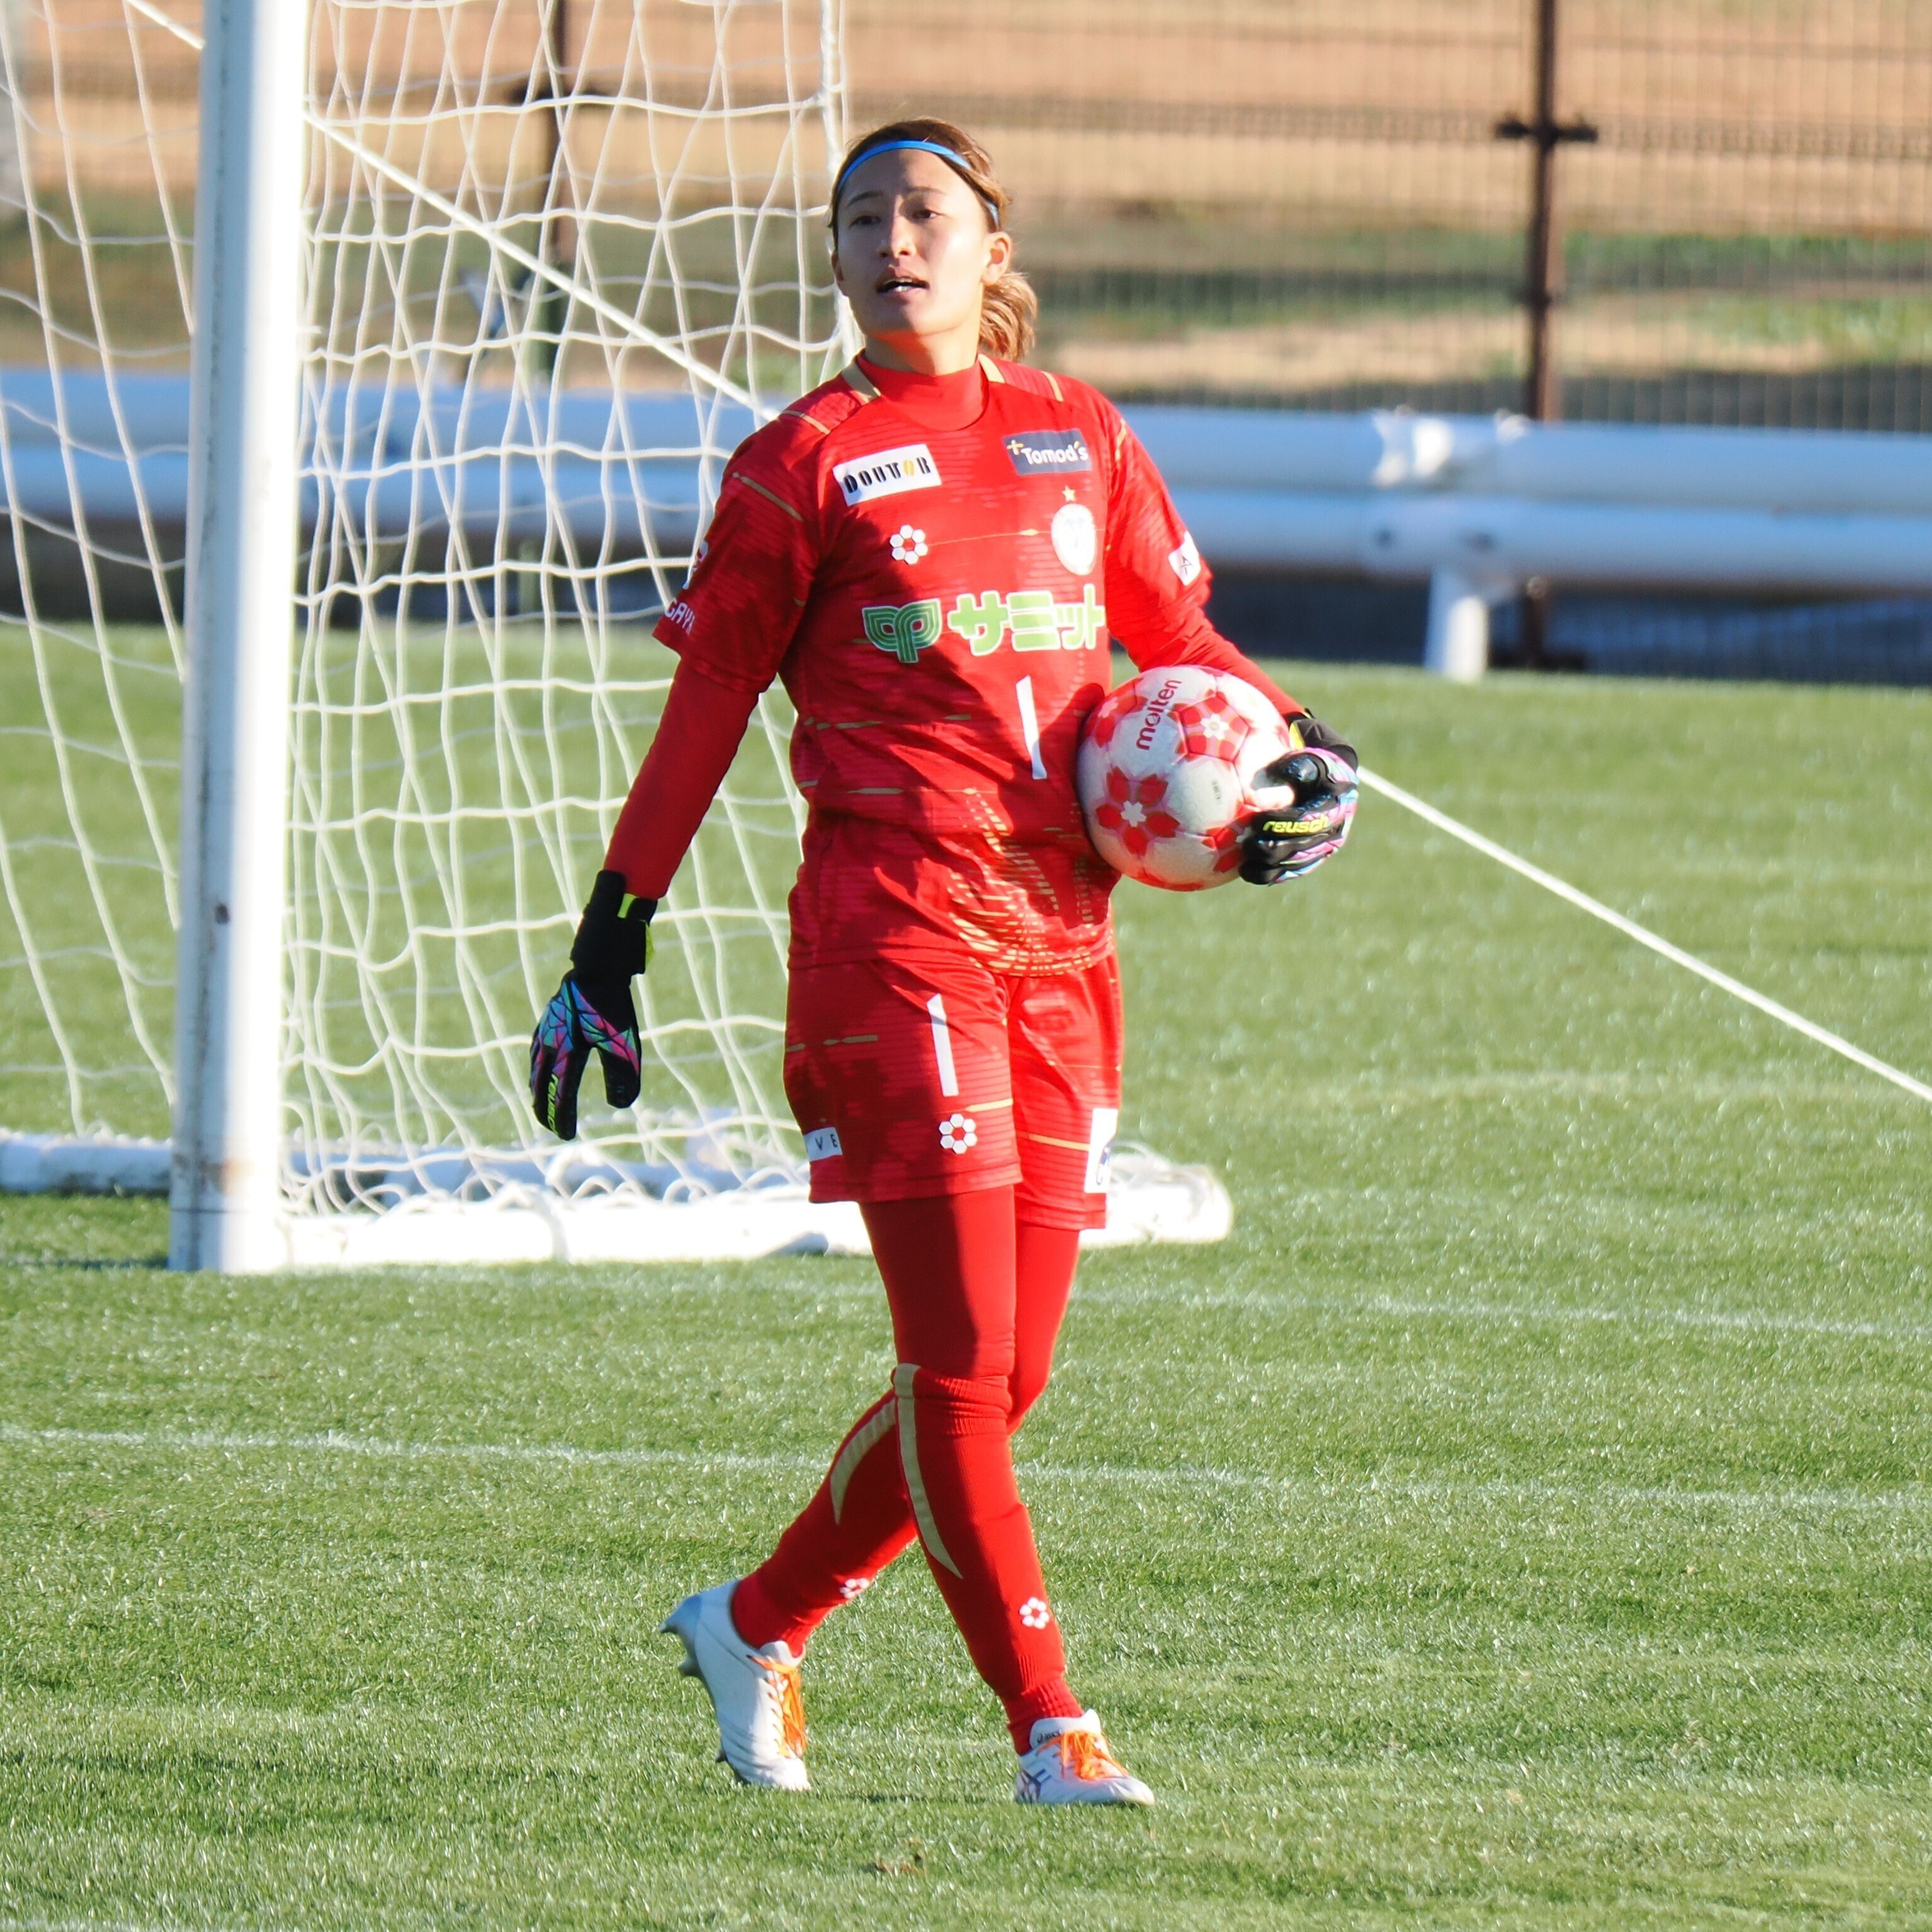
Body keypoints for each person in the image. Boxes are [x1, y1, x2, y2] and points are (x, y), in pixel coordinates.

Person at [528, 120, 1358, 1807]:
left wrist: (1295, 748)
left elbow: (1178, 640)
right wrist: (611, 941)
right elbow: (704, 713)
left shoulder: (1079, 435)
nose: (892, 241)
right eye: (860, 220)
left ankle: (757, 1621)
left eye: (923, 213)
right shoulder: (801, 464)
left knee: (1005, 1375)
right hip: (892, 936)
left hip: (1065, 944)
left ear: (992, 248)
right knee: (965, 1366)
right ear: (837, 261)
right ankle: (1053, 1726)